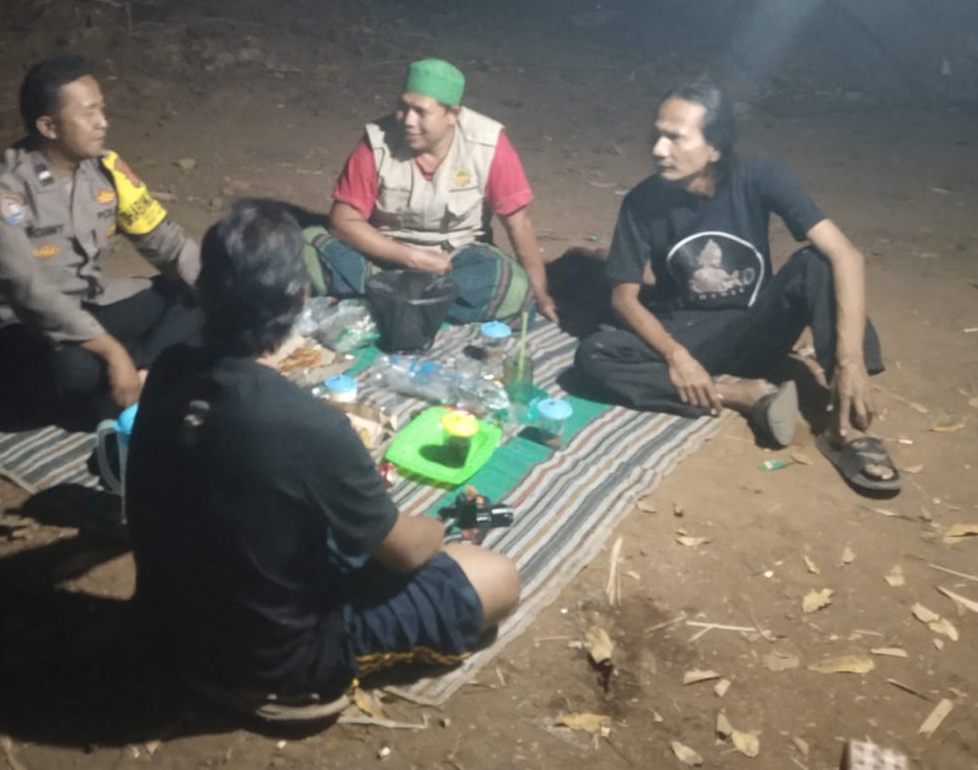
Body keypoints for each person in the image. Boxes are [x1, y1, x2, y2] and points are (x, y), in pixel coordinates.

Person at [128, 200, 519, 712]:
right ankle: (288, 687)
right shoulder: (308, 424)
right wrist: (438, 527)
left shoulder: (170, 367)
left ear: (204, 290)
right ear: (299, 298)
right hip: (272, 661)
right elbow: (405, 552)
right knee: (496, 578)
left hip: (165, 621)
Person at [565, 83, 898, 495]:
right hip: (690, 336)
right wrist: (677, 356)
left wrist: (850, 363)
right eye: (657, 135)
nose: (658, 149)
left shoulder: (760, 177)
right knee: (594, 354)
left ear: (715, 148)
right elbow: (623, 297)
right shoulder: (641, 202)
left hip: (758, 326)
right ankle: (740, 395)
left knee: (819, 263)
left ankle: (847, 426)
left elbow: (847, 255)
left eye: (675, 138)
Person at [0, 55, 201, 421]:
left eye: (101, 110)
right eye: (89, 113)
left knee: (202, 297)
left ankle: (138, 377)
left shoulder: (107, 171)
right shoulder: (1, 189)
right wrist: (111, 351)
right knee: (74, 370)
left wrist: (235, 296)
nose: (103, 122)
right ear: (49, 126)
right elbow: (29, 291)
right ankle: (127, 378)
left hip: (89, 305)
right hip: (21, 327)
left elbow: (168, 243)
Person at [303, 58, 558, 326]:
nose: (408, 120)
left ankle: (382, 307)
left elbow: (519, 223)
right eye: (403, 107)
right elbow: (343, 221)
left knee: (513, 287)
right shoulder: (376, 142)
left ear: (452, 114)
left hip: (453, 263)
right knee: (308, 246)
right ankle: (423, 310)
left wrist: (540, 296)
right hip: (383, 260)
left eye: (420, 112)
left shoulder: (488, 144)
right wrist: (409, 257)